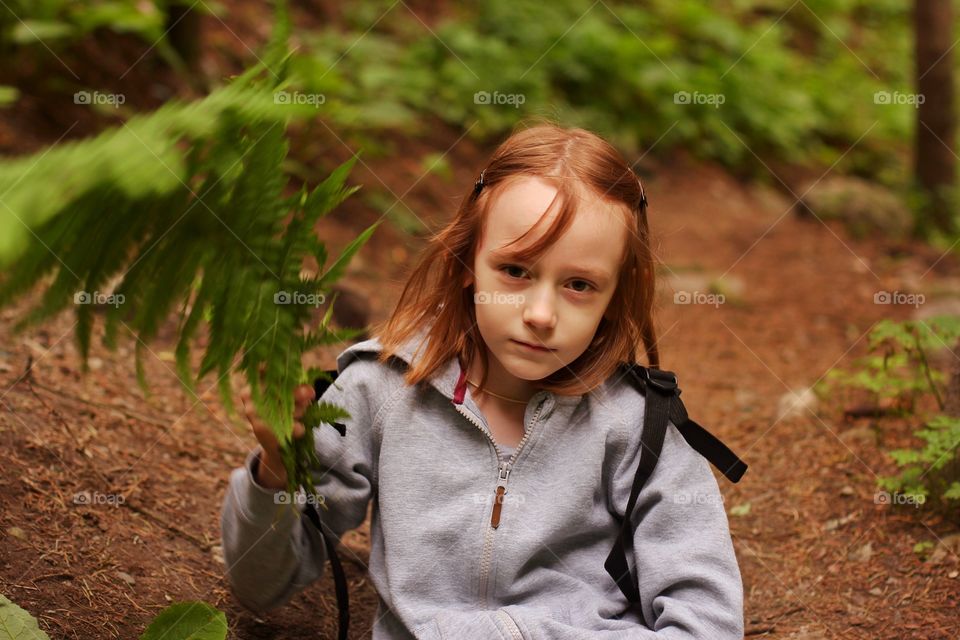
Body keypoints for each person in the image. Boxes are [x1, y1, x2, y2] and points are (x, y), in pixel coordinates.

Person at [221, 122, 744, 639]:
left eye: (579, 285)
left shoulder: (640, 426)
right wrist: (273, 476)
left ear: (614, 296)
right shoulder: (378, 390)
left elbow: (708, 621)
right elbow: (263, 585)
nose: (541, 314)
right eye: (516, 271)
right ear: (468, 260)